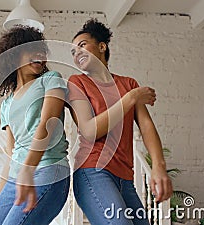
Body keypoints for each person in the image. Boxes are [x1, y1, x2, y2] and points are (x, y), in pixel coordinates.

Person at [67, 19, 173, 225]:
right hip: (93, 172)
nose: (76, 53)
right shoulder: (78, 82)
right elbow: (89, 130)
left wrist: (159, 167)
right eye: (72, 52)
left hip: (126, 179)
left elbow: (146, 126)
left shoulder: (128, 84)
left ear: (101, 46)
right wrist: (130, 98)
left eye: (81, 46)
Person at [0, 26, 70, 225]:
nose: (40, 54)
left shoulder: (51, 80)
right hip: (17, 177)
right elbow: (12, 155)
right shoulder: (6, 104)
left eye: (42, 51)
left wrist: (28, 169)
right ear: (14, 55)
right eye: (32, 49)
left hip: (48, 169)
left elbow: (47, 125)